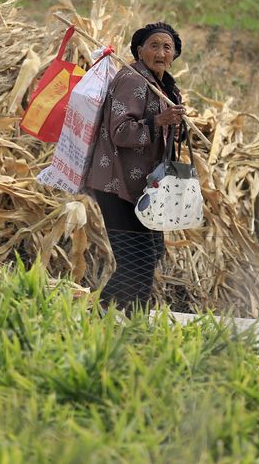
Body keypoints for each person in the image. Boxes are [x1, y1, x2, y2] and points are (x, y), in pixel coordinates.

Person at [82, 21, 186, 313]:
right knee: (137, 258)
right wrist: (160, 122)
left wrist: (177, 125)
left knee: (151, 253)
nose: (161, 52)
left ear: (175, 54)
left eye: (167, 47)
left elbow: (166, 135)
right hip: (117, 183)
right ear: (140, 51)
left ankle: (129, 318)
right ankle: (105, 314)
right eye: (154, 45)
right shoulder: (133, 80)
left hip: (145, 187)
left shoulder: (165, 86)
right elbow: (121, 132)